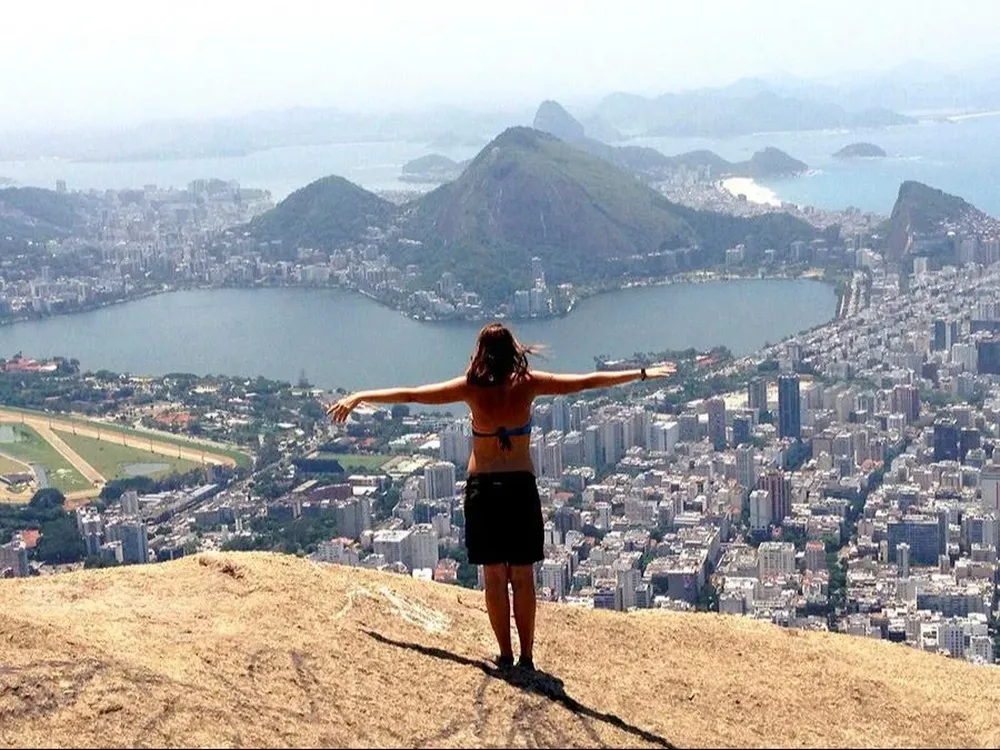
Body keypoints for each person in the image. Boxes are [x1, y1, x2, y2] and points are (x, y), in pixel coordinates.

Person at [327, 322, 674, 671]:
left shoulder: (470, 388)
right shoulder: (529, 384)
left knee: (494, 577)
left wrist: (360, 396)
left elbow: (414, 394)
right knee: (522, 577)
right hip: (520, 489)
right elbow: (586, 381)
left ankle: (505, 655)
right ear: (513, 351)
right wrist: (641, 373)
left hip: (483, 492)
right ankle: (526, 657)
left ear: (480, 353)